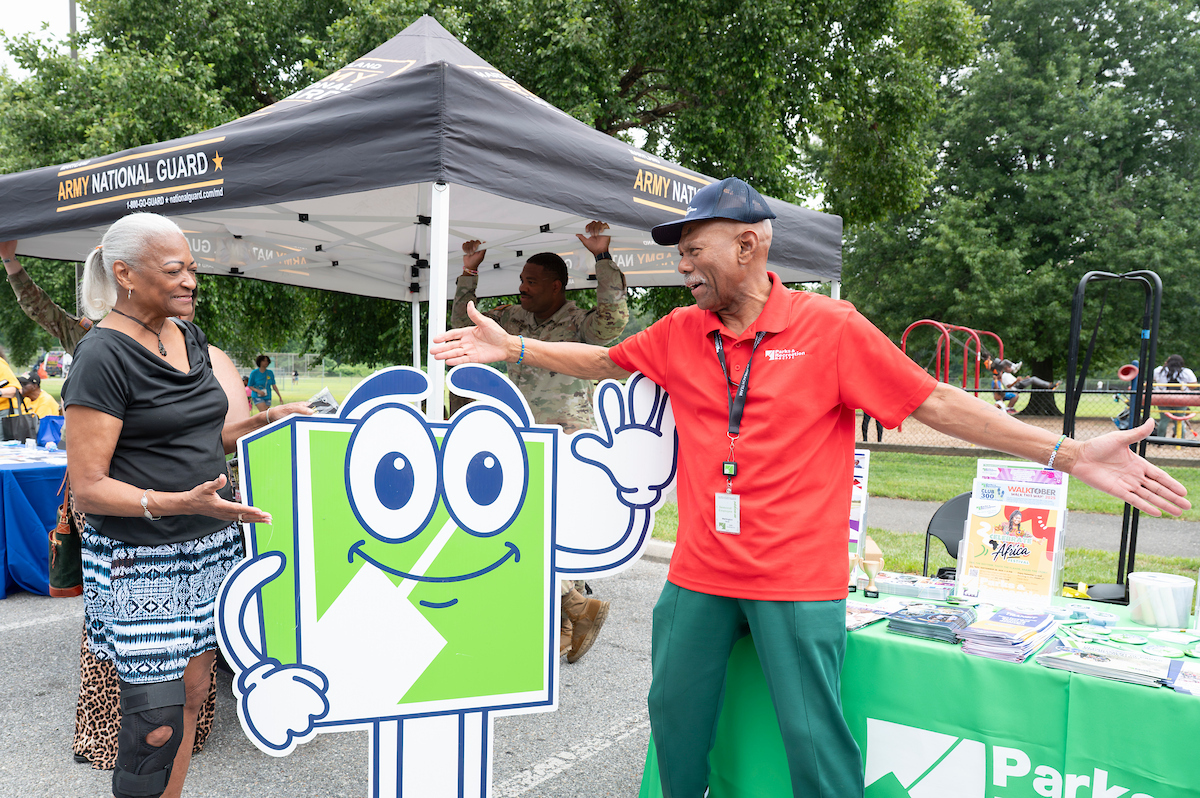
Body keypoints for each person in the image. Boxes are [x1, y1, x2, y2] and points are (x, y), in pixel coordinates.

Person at [432, 176, 1190, 798]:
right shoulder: (679, 333)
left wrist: (1068, 453)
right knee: (675, 725)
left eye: (695, 252)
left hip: (795, 582)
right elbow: (602, 361)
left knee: (814, 748)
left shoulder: (832, 329)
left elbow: (939, 402)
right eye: (682, 255)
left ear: (750, 244)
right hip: (699, 576)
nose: (685, 267)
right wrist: (517, 344)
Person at [60, 212, 303, 798]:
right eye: (175, 270)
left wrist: (264, 420)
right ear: (125, 275)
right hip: (142, 560)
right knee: (155, 720)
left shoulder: (186, 337)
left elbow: (200, 440)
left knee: (195, 693)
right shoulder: (102, 357)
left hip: (209, 544)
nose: (192, 281)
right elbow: (87, 486)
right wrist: (176, 502)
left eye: (193, 269)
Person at [452, 221, 628, 663]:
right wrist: (469, 275)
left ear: (556, 286)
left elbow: (615, 317)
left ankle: (570, 613)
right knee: (531, 525)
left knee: (545, 527)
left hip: (569, 440)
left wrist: (602, 258)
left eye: (531, 281)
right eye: (521, 280)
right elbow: (463, 323)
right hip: (523, 438)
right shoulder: (513, 319)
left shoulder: (580, 324)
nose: (523, 287)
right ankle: (572, 614)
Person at [990, 358, 1058, 413]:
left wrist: (1025, 379)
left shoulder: (1008, 375)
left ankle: (1050, 386)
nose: (1009, 369)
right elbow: (1009, 386)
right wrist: (1017, 381)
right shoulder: (1004, 375)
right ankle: (1050, 386)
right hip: (1014, 388)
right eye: (1009, 368)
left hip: (1017, 385)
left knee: (1033, 379)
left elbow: (1018, 381)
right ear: (1005, 368)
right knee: (1033, 379)